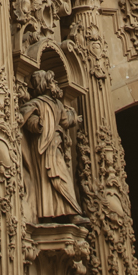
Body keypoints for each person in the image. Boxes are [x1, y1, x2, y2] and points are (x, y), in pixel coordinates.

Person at [20, 70, 81, 220]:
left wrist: (74, 118)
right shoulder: (37, 103)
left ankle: (67, 211)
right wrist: (38, 125)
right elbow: (26, 117)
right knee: (51, 177)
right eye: (52, 82)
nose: (56, 84)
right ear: (45, 85)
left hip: (55, 143)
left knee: (60, 173)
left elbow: (65, 121)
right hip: (43, 144)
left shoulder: (58, 104)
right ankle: (52, 213)